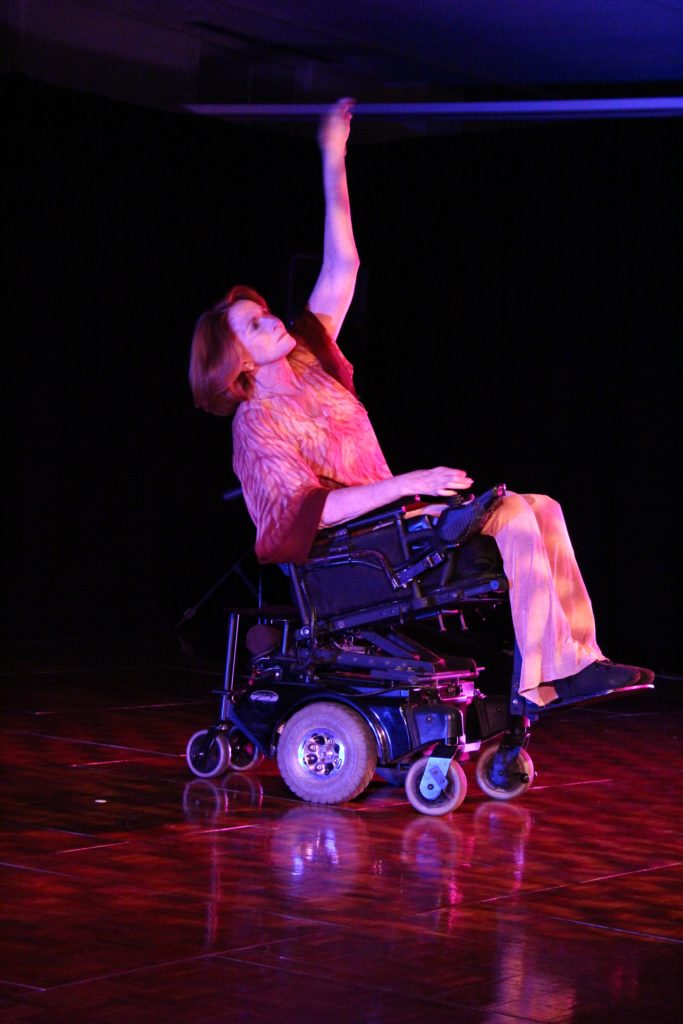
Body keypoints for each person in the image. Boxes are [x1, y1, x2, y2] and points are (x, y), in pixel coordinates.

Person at [189, 98, 653, 709]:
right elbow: (306, 514)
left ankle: (569, 667)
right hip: (360, 550)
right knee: (514, 515)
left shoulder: (308, 359)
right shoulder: (255, 425)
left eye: (265, 311)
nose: (272, 318)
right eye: (255, 325)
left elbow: (343, 264)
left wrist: (333, 153)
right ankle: (545, 681)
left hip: (396, 528)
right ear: (238, 363)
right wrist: (408, 483)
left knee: (540, 507)